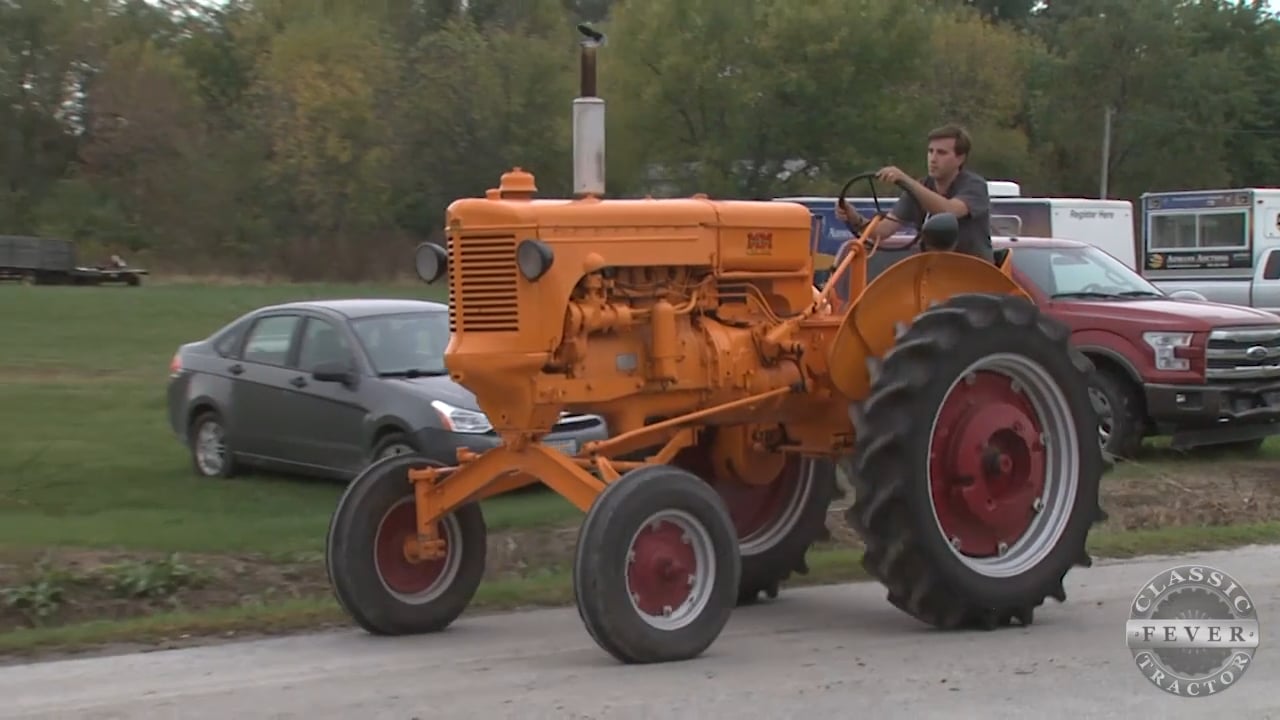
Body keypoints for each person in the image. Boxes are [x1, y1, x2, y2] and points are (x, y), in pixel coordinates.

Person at [835, 124, 994, 263]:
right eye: (930, 152)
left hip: (974, 272)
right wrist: (854, 218)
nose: (933, 159)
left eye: (941, 153)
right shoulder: (919, 188)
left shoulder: (974, 186)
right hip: (936, 272)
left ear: (960, 158)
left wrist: (905, 180)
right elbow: (882, 232)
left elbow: (949, 211)